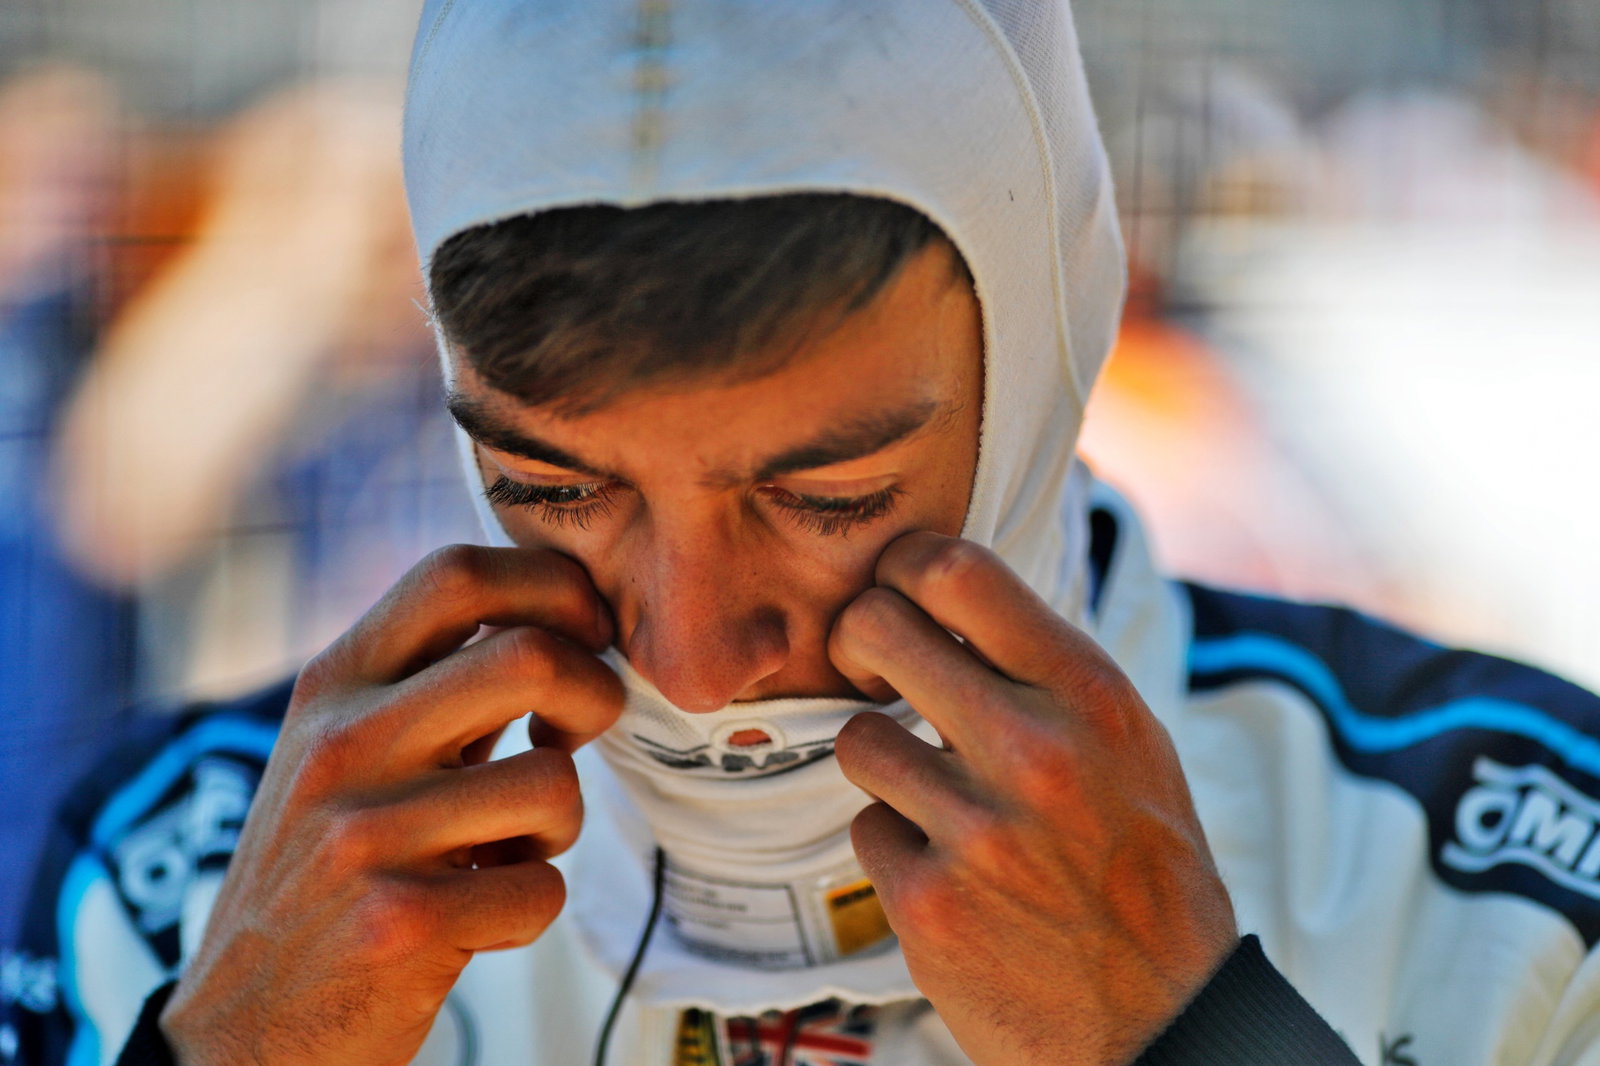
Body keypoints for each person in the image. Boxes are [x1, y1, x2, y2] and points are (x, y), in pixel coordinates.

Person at [8, 1, 1600, 1064]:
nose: (699, 661)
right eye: (555, 491)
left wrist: (1203, 1033)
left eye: (830, 499)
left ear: (1042, 359)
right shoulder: (176, 894)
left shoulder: (1504, 878)